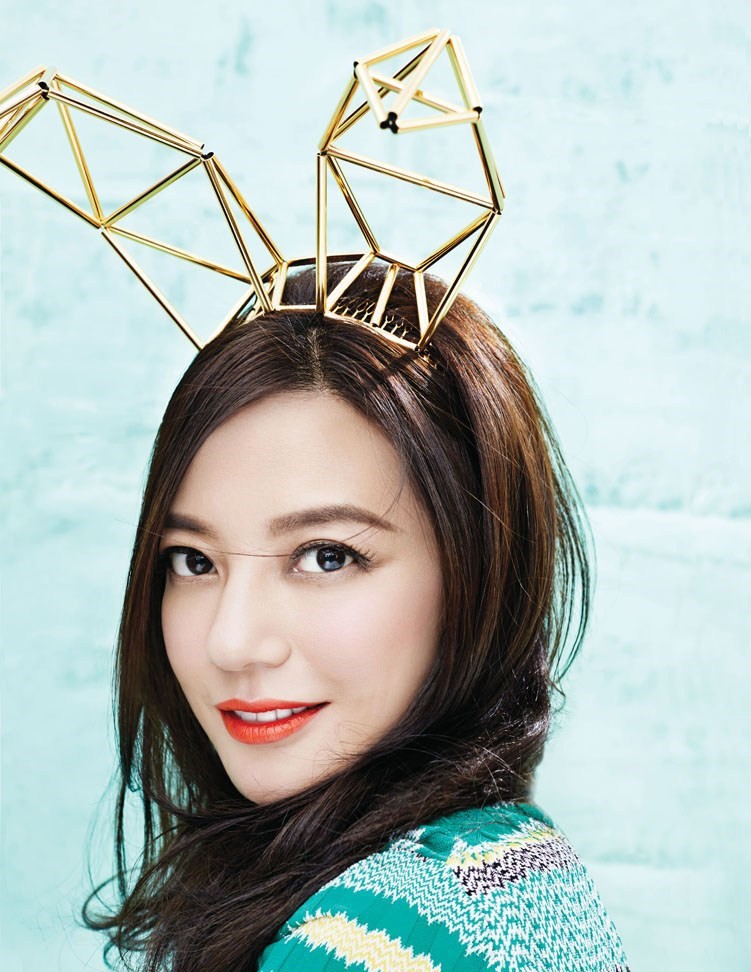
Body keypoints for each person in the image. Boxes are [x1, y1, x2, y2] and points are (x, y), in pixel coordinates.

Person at [81, 261, 631, 971]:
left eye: (326, 556)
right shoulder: (515, 871)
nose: (231, 641)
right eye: (193, 561)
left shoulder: (375, 942)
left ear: (480, 570)